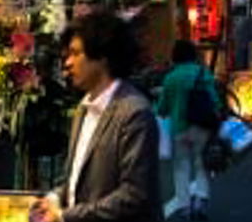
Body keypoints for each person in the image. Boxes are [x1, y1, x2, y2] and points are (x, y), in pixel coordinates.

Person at [31, 12, 163, 222]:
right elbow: (77, 179)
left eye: (75, 53)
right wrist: (54, 198)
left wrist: (65, 216)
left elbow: (135, 196)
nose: (67, 63)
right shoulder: (83, 109)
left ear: (102, 57)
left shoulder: (134, 113)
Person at [155, 40, 215, 221]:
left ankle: (184, 207)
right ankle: (200, 201)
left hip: (179, 129)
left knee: (180, 167)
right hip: (201, 126)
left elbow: (162, 109)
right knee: (201, 164)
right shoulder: (203, 74)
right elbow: (214, 100)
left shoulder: (171, 78)